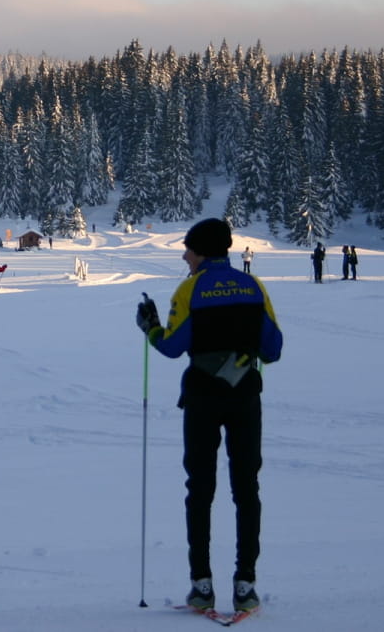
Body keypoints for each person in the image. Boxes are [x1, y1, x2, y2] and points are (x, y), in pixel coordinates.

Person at [135, 218, 282, 618]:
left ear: (202, 253)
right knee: (246, 489)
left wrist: (149, 326)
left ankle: (202, 585)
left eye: (188, 250)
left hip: (202, 398)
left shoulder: (191, 288)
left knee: (200, 490)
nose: (184, 256)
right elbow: (273, 349)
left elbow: (171, 346)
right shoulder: (253, 286)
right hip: (245, 397)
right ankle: (246, 584)